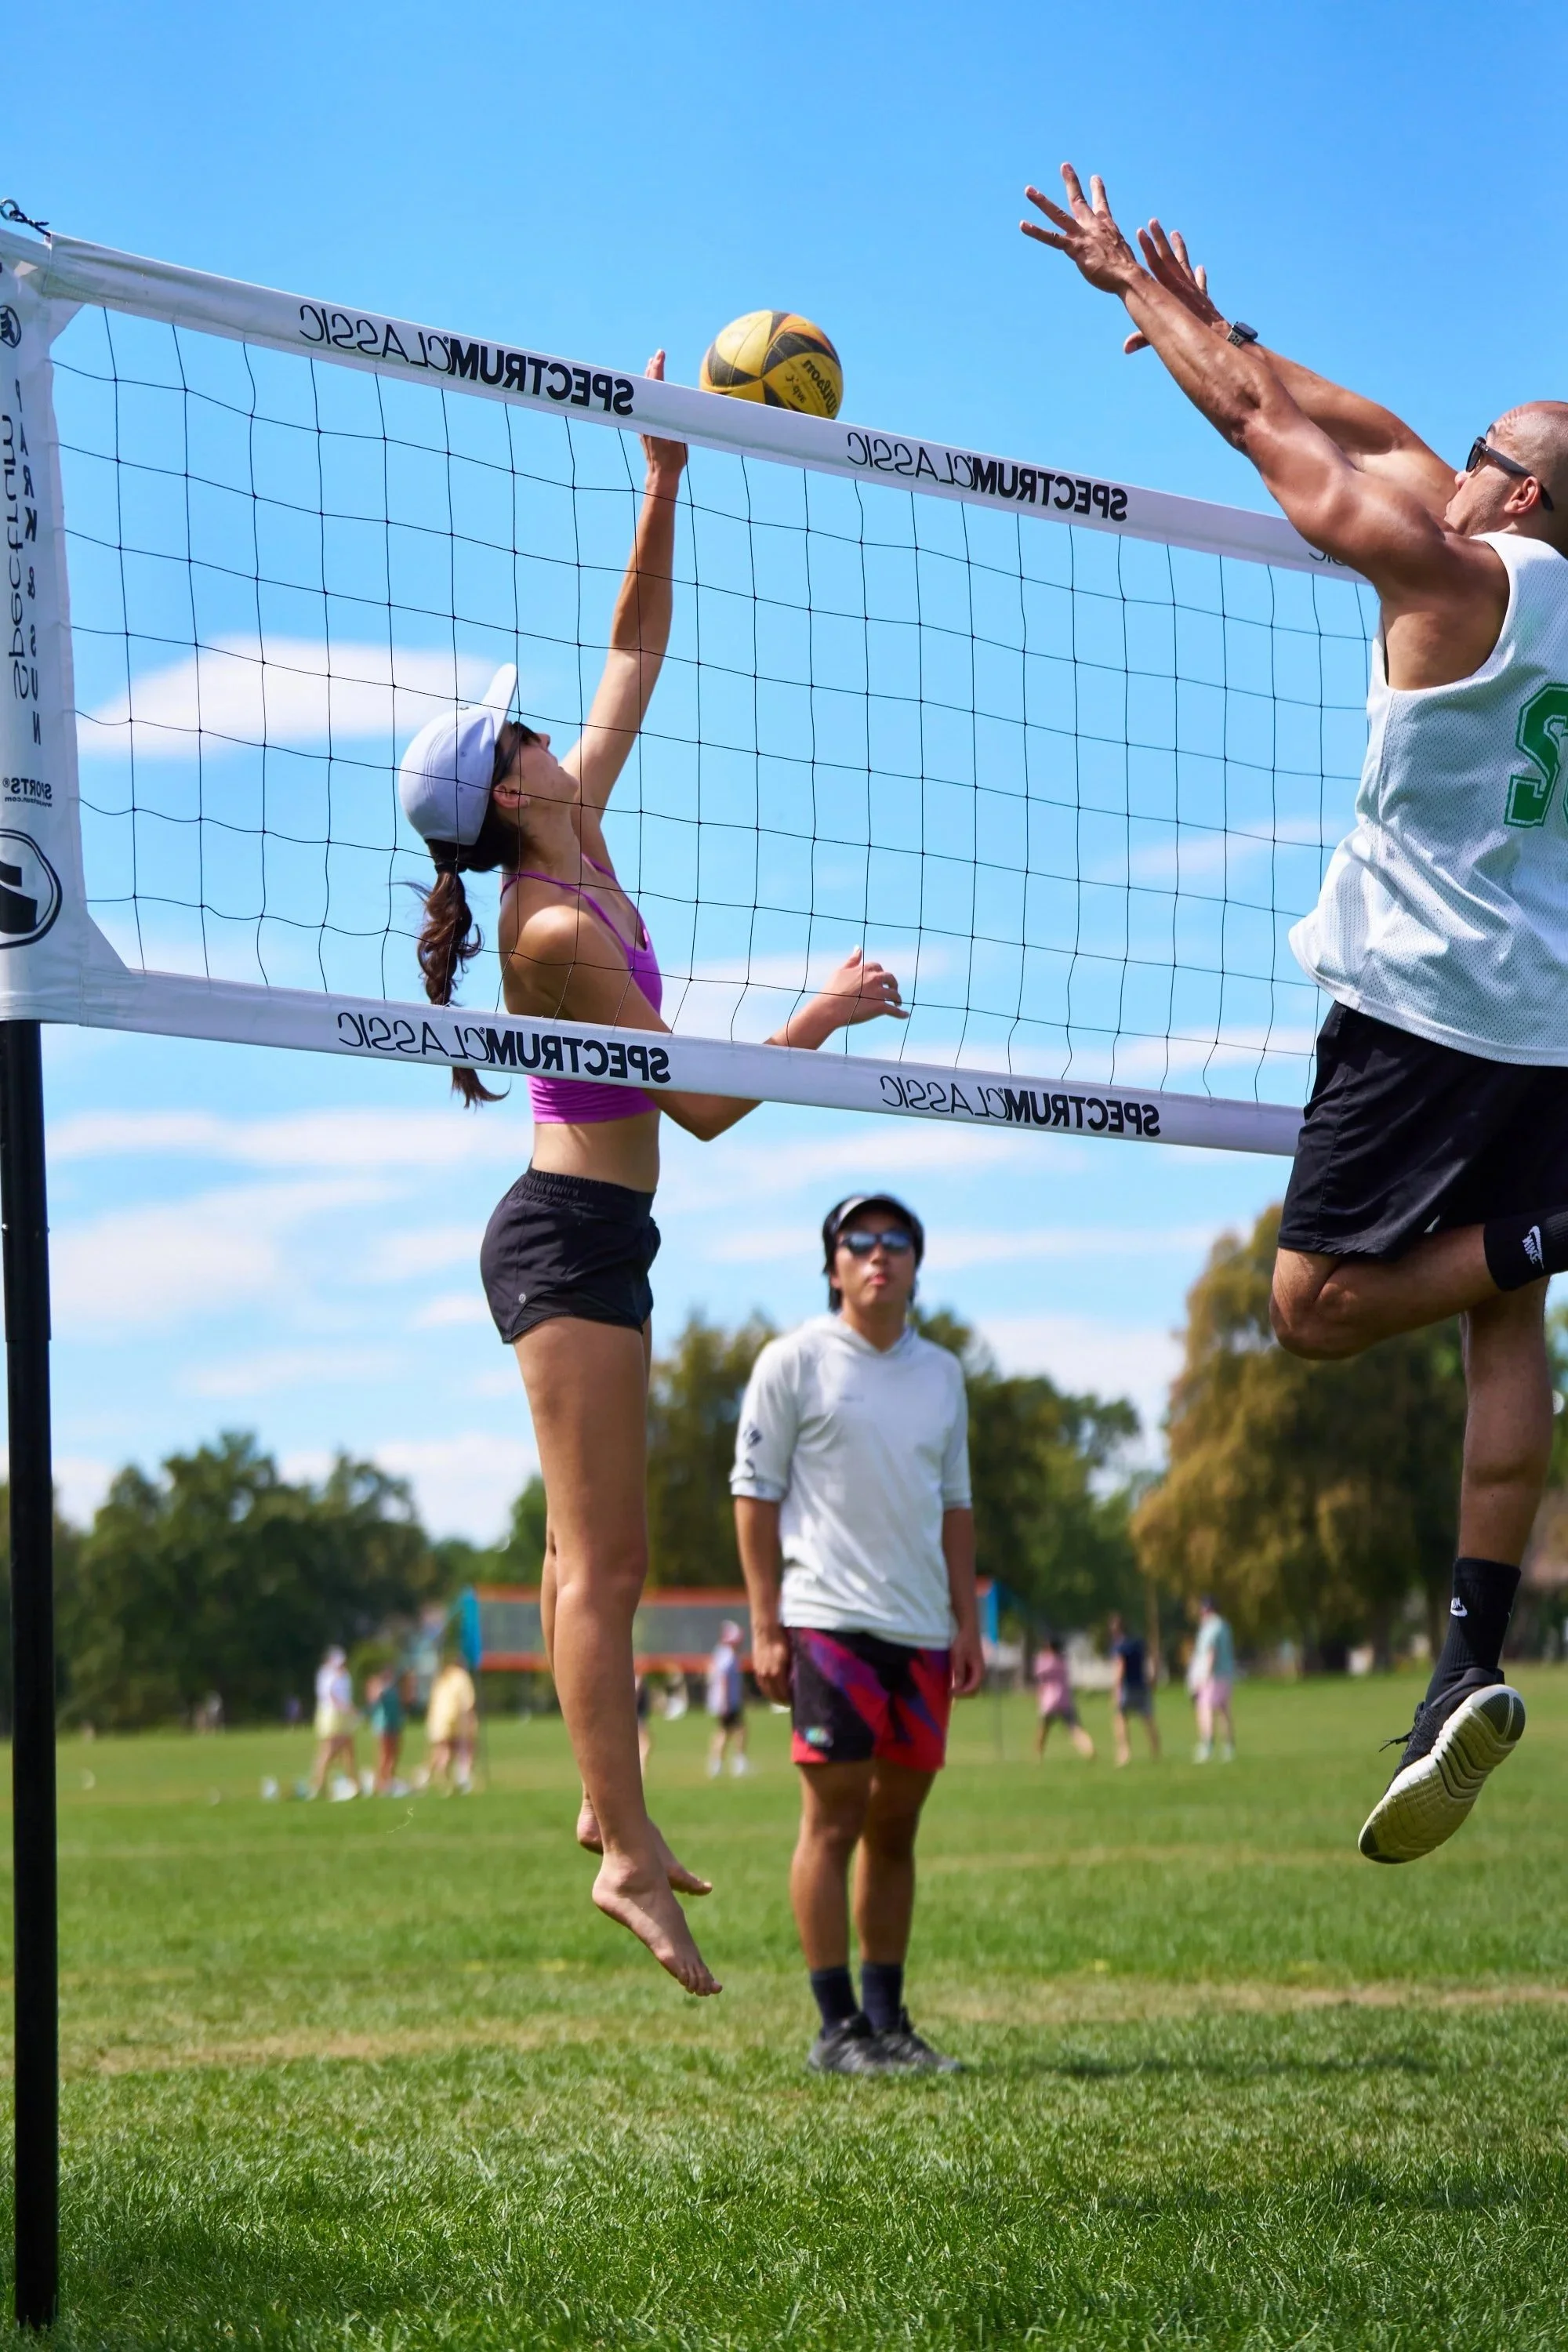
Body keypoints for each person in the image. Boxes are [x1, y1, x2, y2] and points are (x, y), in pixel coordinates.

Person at [1022, 167, 1553, 1863]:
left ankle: (1553, 1226)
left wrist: (1134, 294)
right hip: (1549, 1017)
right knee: (1496, 1324)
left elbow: (1278, 432)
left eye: (1483, 448)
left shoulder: (1444, 581)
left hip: (1423, 1011)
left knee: (1315, 1308)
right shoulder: (1519, 568)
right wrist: (1220, 312)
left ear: (1519, 489)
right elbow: (1365, 415)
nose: (1444, 455)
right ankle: (1468, 1656)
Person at [399, 358, 906, 1995]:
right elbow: (691, 1107)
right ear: (509, 784)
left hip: (593, 1237)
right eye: (527, 731)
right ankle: (621, 1846)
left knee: (581, 1559)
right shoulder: (549, 933)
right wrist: (819, 1017)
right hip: (565, 1236)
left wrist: (665, 479)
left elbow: (636, 651)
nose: (553, 729)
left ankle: (606, 1814)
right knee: (601, 1565)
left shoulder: (581, 838)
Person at [732, 1195, 985, 2074]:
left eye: (896, 1242)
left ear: (917, 1261)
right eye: (859, 1242)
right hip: (827, 1622)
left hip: (919, 1628)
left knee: (897, 1827)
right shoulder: (791, 1362)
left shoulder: (942, 1374)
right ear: (832, 1264)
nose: (879, 1255)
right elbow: (753, 1496)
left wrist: (964, 1617)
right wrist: (765, 1622)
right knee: (832, 1820)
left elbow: (955, 1505)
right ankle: (835, 2026)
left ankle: (888, 2021)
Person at [1107, 1611, 1159, 1767]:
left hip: (1127, 1687)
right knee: (1148, 1719)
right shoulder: (1137, 1643)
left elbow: (1120, 1667)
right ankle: (1156, 1750)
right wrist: (1153, 1677)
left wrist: (1115, 1689)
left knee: (1120, 1718)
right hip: (1142, 1685)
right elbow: (1152, 1658)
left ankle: (1124, 1752)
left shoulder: (1119, 1645)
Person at [1189, 1598, 1236, 1764]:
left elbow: (1211, 1653)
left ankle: (1207, 1745)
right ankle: (1229, 1746)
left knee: (1205, 1709)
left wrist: (1204, 1676)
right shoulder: (1224, 1626)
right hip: (1226, 1673)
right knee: (1223, 1710)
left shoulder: (1211, 1628)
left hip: (1213, 1675)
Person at [1033, 1635, 1094, 1761]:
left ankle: (1038, 1756)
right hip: (1065, 1699)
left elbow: (1040, 1682)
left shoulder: (1044, 1661)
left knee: (1043, 1730)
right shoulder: (1063, 1660)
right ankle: (1088, 1748)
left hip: (1049, 1701)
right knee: (1075, 1728)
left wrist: (1038, 1699)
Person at [308, 1646, 358, 1798]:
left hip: (342, 1715)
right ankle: (318, 1784)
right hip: (333, 1715)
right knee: (330, 1749)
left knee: (348, 1749)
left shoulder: (343, 1675)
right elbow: (330, 1695)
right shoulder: (328, 1674)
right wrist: (347, 1708)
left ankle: (353, 1782)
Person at [423, 1657, 477, 1795]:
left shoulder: (442, 1678)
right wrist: (471, 1721)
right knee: (463, 1748)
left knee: (441, 1749)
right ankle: (461, 1779)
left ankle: (434, 1777)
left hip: (437, 1720)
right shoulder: (461, 1677)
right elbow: (468, 1702)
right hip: (454, 1717)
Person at [706, 1620, 751, 1778]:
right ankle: (736, 1763)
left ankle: (719, 1764)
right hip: (727, 1702)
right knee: (733, 1731)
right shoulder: (727, 1655)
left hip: (726, 1701)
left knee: (728, 1731)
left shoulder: (722, 1652)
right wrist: (725, 1702)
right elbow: (724, 1679)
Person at [366, 1667, 406, 1794]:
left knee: (394, 1753)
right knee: (384, 1754)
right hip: (382, 1724)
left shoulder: (395, 1687)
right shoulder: (378, 1685)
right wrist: (379, 1690)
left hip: (395, 1723)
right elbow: (373, 1700)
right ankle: (380, 1782)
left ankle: (389, 1779)